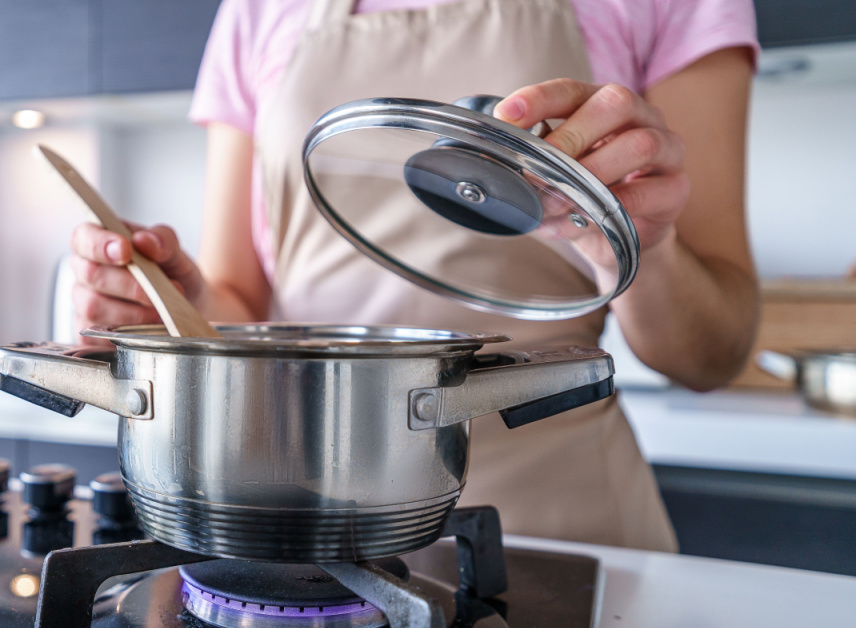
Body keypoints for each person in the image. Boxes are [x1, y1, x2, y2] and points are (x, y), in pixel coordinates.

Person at [67, 0, 760, 552]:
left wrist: (641, 247)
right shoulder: (256, 9)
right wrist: (175, 302)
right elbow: (238, 306)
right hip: (308, 523)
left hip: (564, 518)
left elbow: (712, 356)